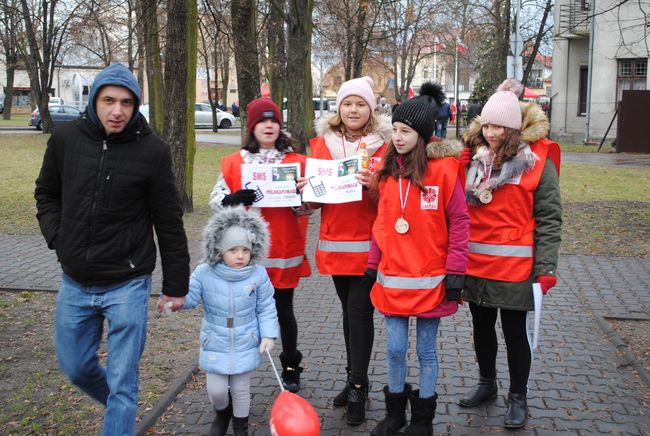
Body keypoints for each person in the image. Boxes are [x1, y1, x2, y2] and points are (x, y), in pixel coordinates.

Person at [34, 63, 190, 435]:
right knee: (76, 368)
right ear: (94, 100)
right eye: (108, 101)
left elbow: (168, 221)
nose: (117, 111)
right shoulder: (65, 140)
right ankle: (121, 408)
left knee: (124, 383)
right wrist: (59, 238)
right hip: (75, 281)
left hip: (127, 283)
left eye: (126, 103)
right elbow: (46, 193)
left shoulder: (153, 151)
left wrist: (176, 285)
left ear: (136, 106)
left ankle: (121, 408)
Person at [368, 82, 469, 436]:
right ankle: (395, 413)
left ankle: (422, 420)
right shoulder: (387, 172)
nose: (397, 136)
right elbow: (381, 222)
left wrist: (456, 272)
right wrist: (371, 264)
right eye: (394, 129)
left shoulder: (444, 172)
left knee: (426, 351)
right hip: (393, 279)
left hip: (432, 281)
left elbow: (460, 221)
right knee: (395, 350)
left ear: (423, 134)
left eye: (405, 131)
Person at [459, 82, 562, 429]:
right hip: (476, 263)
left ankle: (518, 396)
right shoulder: (472, 159)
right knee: (481, 327)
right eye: (487, 125)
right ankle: (487, 383)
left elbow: (549, 216)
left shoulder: (536, 160)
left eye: (499, 126)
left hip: (517, 267)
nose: (491, 133)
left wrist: (546, 267)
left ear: (514, 128)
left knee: (514, 331)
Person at [300, 76, 391, 425]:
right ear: (338, 108)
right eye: (347, 103)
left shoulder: (385, 145)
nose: (353, 110)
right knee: (347, 312)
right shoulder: (321, 145)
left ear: (371, 109)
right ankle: (357, 376)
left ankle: (357, 388)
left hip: (370, 246)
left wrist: (376, 188)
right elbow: (311, 202)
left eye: (361, 104)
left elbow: (396, 198)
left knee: (359, 312)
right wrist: (305, 192)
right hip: (336, 244)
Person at [208, 97, 311, 393]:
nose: (269, 125)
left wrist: (301, 199)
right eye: (262, 121)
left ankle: (291, 364)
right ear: (252, 127)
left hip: (284, 250)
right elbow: (216, 199)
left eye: (274, 121)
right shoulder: (234, 162)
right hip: (245, 254)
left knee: (283, 311)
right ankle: (236, 367)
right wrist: (232, 199)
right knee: (241, 314)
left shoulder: (297, 162)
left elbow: (310, 207)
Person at [182, 206, 278, 436]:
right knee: (217, 390)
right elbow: (191, 297)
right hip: (215, 340)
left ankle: (240, 426)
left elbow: (266, 306)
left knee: (241, 388)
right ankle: (223, 410)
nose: (240, 255)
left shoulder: (257, 274)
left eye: (245, 249)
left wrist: (268, 334)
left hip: (246, 339)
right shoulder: (204, 272)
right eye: (233, 250)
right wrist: (175, 300)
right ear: (219, 250)